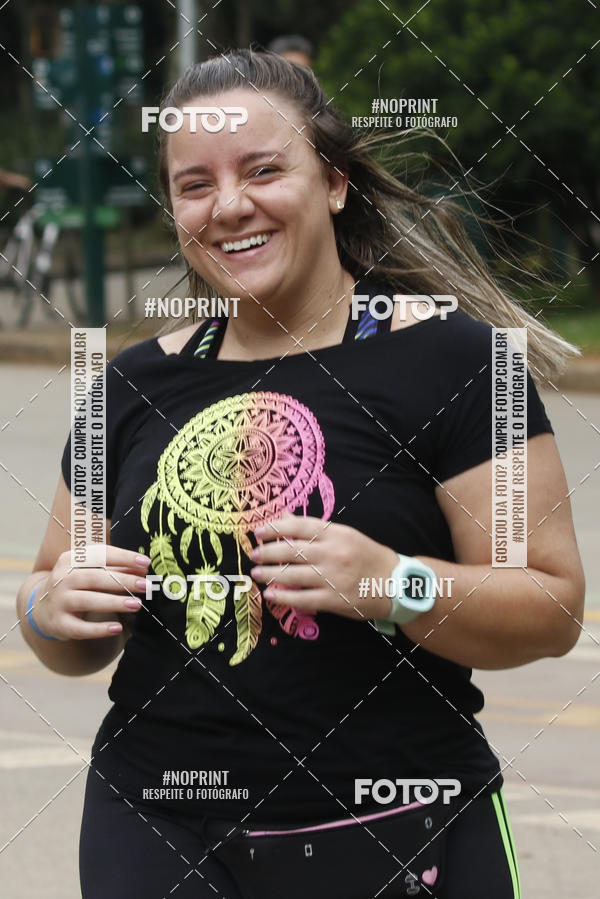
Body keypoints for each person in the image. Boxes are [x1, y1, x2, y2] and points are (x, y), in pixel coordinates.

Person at [16, 49, 584, 899]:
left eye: (263, 169)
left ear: (335, 182)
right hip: (156, 822)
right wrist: (48, 608)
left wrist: (396, 583)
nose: (229, 205)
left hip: (401, 822)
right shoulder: (127, 387)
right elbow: (54, 619)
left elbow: (551, 606)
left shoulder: (464, 364)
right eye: (194, 184)